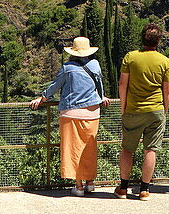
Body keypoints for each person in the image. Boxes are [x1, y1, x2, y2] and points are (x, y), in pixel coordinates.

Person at [29, 37, 110, 196]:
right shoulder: (95, 65)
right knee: (89, 148)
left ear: (73, 51)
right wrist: (102, 97)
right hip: (93, 112)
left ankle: (78, 186)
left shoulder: (68, 68)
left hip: (71, 113)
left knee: (74, 148)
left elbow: (55, 86)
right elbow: (99, 85)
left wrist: (42, 99)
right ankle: (90, 183)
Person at [116, 23, 169, 201]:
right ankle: (144, 190)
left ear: (142, 38)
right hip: (156, 110)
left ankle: (123, 188)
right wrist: (165, 109)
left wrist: (123, 108)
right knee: (150, 150)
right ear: (158, 41)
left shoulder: (130, 57)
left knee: (127, 150)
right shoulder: (164, 61)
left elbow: (122, 84)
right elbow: (168, 90)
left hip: (133, 110)